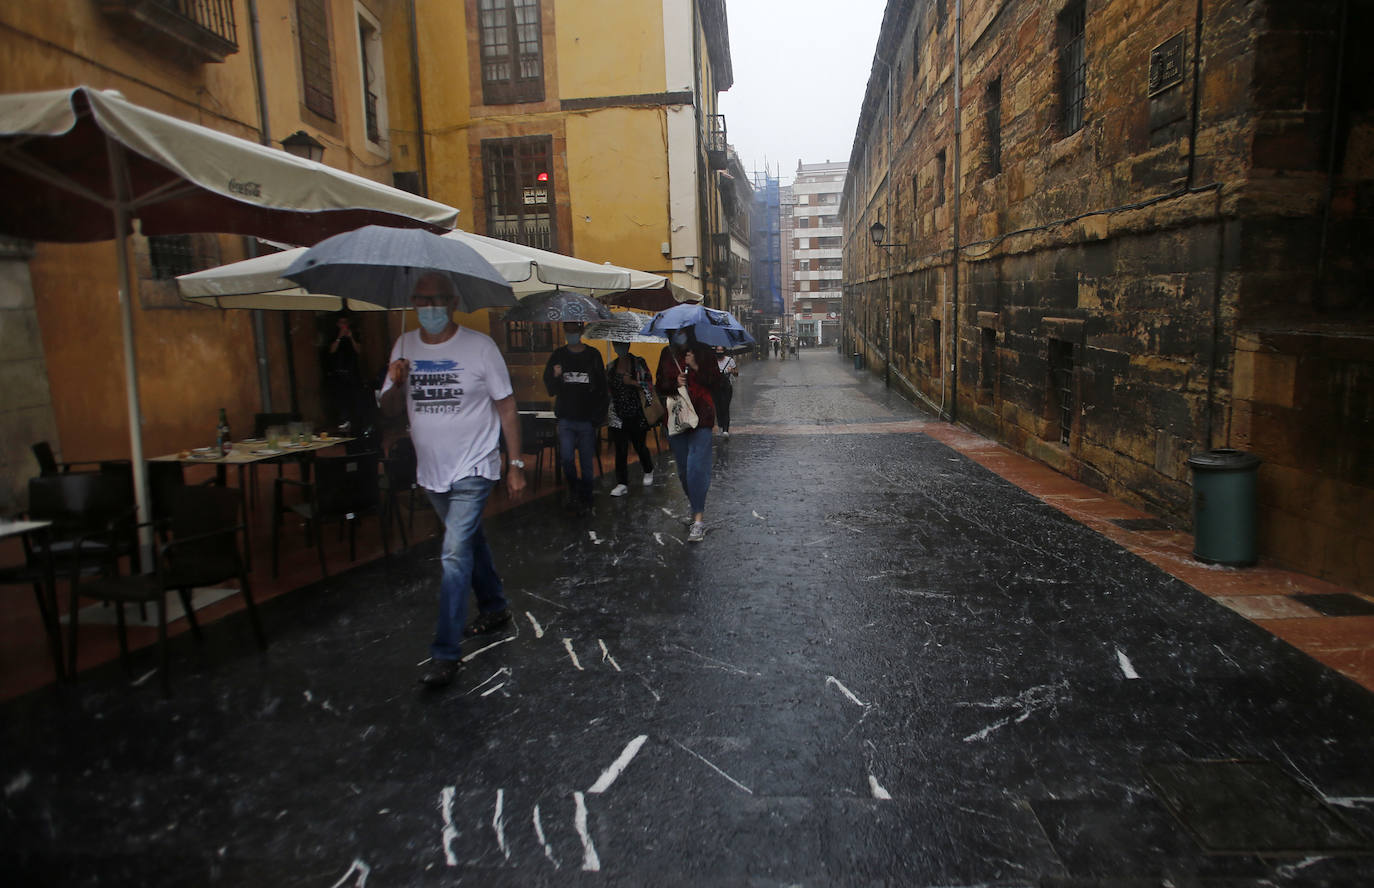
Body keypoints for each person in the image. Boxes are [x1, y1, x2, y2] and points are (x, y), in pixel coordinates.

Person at [380, 273, 526, 688]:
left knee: (453, 554)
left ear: (453, 301)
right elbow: (389, 407)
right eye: (421, 299)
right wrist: (397, 380)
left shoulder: (480, 347)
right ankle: (495, 605)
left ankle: (445, 652)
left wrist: (515, 464)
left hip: (474, 468)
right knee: (469, 540)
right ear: (412, 302)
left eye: (436, 299)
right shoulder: (403, 346)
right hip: (432, 473)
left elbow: (508, 407)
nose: (429, 307)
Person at [655, 328, 721, 543]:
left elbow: (716, 383)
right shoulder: (667, 353)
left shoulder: (704, 352)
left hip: (702, 417)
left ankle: (698, 519)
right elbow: (659, 386)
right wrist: (676, 384)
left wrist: (695, 367)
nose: (678, 334)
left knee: (696, 468)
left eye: (682, 330)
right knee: (683, 471)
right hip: (676, 419)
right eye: (674, 331)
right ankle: (695, 508)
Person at [543, 321, 608, 514]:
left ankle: (586, 497)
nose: (570, 333)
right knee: (567, 458)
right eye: (567, 330)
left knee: (587, 462)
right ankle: (574, 489)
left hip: (587, 419)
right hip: (566, 418)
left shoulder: (593, 355)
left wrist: (597, 417)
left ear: (580, 331)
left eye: (573, 330)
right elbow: (551, 389)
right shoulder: (558, 356)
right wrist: (555, 376)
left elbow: (602, 389)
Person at [606, 341, 656, 496]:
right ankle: (622, 482)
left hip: (637, 412)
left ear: (627, 344)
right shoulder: (611, 367)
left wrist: (633, 382)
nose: (619, 347)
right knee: (620, 449)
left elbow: (648, 384)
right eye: (616, 344)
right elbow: (607, 388)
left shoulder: (638, 363)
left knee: (639, 445)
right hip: (617, 413)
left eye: (621, 343)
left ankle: (648, 469)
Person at [712, 345, 738, 439]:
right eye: (717, 350)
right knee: (718, 408)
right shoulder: (712, 361)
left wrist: (732, 371)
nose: (719, 352)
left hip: (727, 388)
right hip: (715, 388)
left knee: (725, 407)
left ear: (724, 350)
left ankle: (726, 430)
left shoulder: (730, 360)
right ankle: (720, 426)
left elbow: (736, 374)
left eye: (721, 350)